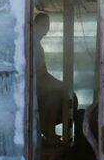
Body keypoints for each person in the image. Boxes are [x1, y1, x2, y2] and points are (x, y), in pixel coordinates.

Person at [32, 11, 76, 143]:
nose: (46, 28)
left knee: (69, 95)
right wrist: (59, 85)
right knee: (54, 97)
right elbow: (39, 75)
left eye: (47, 24)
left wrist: (60, 84)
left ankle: (48, 129)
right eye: (43, 24)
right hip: (33, 87)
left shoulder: (38, 46)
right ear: (35, 24)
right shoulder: (31, 45)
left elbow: (43, 73)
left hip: (39, 84)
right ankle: (48, 131)